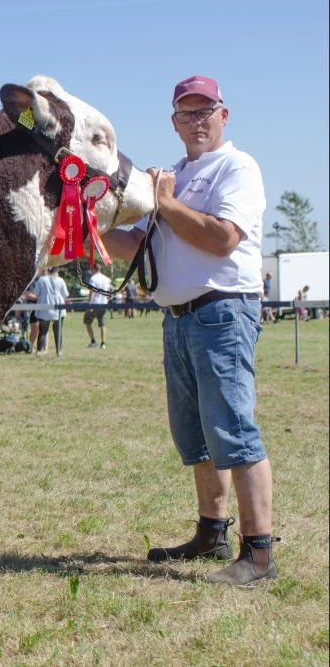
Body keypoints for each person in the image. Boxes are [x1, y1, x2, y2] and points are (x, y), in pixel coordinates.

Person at [103, 75, 275, 586]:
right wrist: (83, 224)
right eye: (186, 113)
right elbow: (139, 246)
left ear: (224, 116)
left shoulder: (236, 167)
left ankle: (259, 554)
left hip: (222, 313)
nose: (196, 121)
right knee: (196, 437)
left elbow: (223, 239)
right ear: (174, 122)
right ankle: (211, 531)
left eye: (205, 111)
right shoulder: (176, 173)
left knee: (234, 432)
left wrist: (165, 201)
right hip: (179, 318)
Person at [25, 266, 68, 356]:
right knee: (58, 331)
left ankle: (39, 350)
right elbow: (65, 294)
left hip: (45, 308)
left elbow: (36, 293)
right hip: (58, 308)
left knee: (43, 331)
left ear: (49, 271)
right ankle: (58, 351)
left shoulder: (42, 280)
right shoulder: (61, 280)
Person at [83, 265, 113, 349]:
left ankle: (93, 341)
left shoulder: (93, 278)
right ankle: (103, 343)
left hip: (95, 303)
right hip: (103, 303)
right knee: (102, 324)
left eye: (92, 269)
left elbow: (92, 291)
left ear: (95, 269)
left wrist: (90, 303)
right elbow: (109, 290)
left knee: (87, 322)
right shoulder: (106, 279)